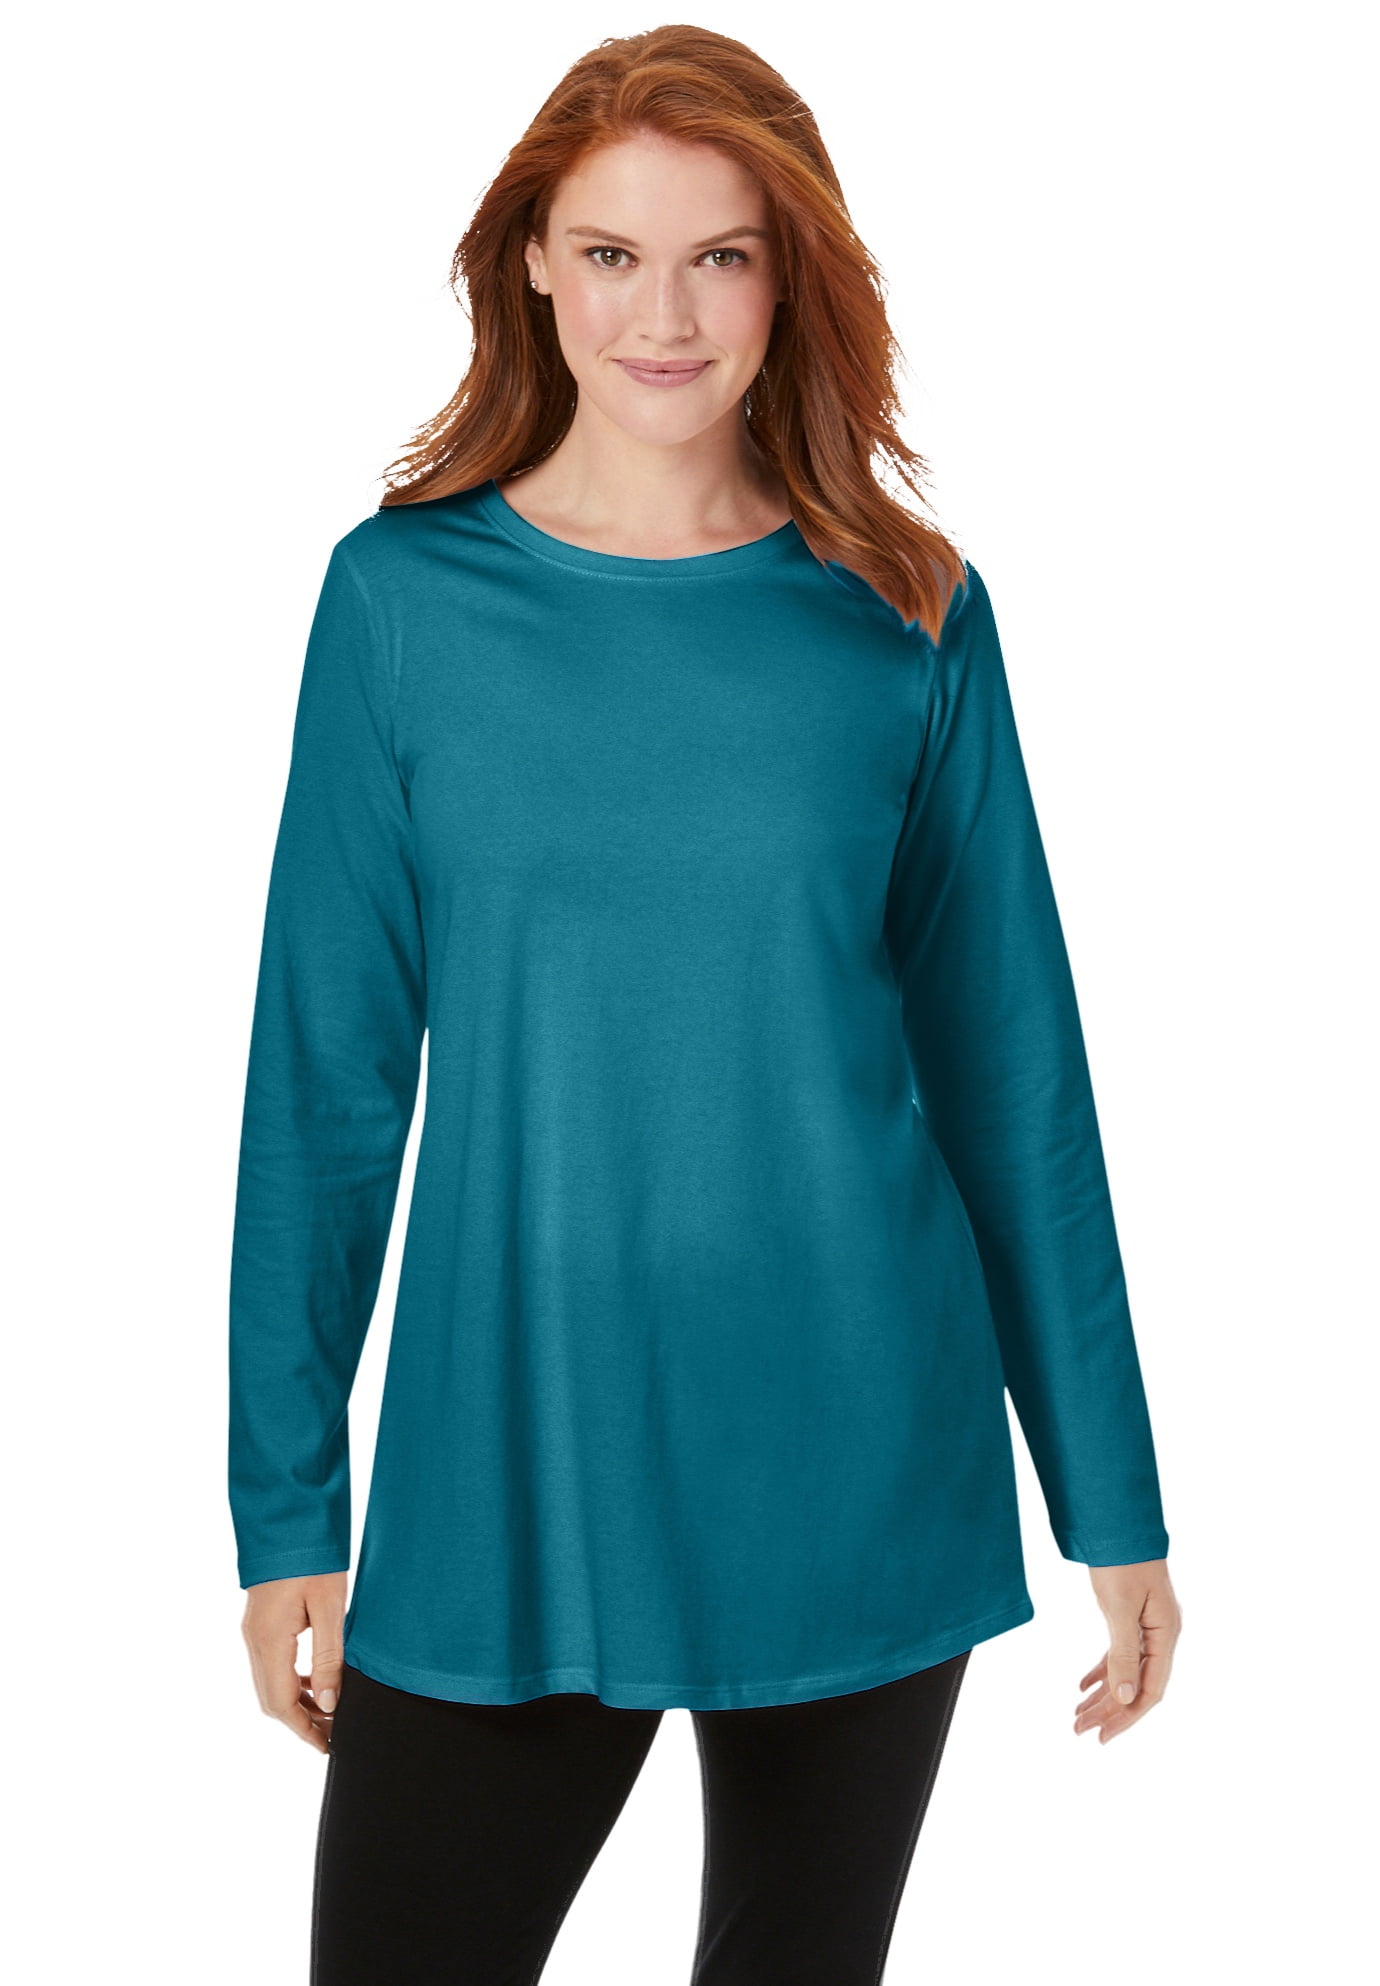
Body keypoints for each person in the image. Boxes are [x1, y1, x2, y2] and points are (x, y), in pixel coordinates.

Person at [228, 23, 1182, 1984]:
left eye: (720, 256)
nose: (662, 316)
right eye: (610, 254)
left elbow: (1014, 1080)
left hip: (854, 1448)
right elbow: (323, 1082)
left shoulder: (908, 611)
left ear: (787, 274)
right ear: (532, 266)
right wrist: (285, 1500)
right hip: (513, 1467)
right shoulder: (400, 605)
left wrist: (1113, 1496)